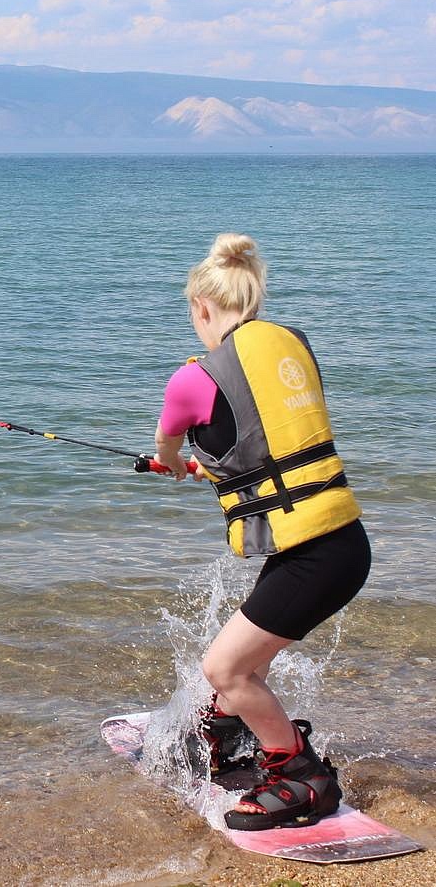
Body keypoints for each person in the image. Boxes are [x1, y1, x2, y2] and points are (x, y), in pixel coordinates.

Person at [153, 233, 370, 832]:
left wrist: (175, 467)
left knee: (225, 668)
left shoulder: (191, 379)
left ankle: (303, 779)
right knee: (248, 659)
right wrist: (217, 466)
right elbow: (267, 439)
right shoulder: (291, 346)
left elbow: (168, 451)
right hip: (340, 542)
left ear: (201, 307)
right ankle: (227, 734)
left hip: (314, 557)